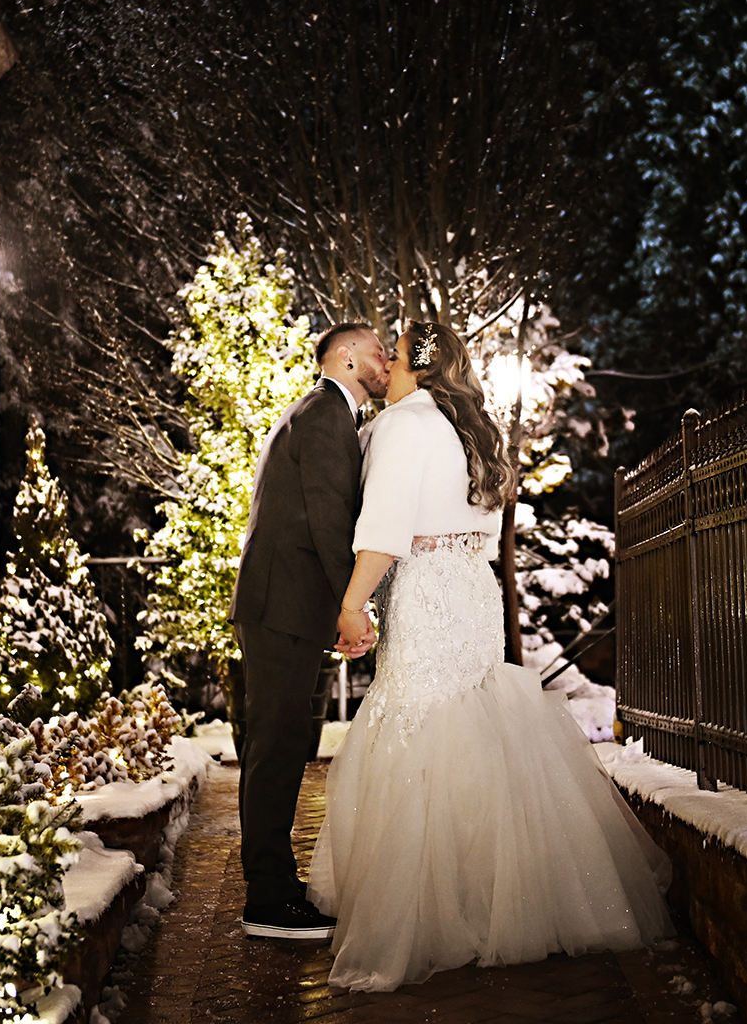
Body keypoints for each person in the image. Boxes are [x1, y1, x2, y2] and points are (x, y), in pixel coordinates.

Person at [307, 320, 674, 991]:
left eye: (396, 356)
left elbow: (385, 528)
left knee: (419, 731)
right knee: (474, 728)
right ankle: (495, 899)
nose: (383, 364)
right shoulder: (474, 430)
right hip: (473, 589)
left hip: (425, 590)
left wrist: (354, 604)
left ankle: (430, 915)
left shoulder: (400, 427)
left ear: (418, 369)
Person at [230, 321, 390, 940]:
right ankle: (266, 899)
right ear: (346, 357)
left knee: (284, 747)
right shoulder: (326, 416)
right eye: (378, 351)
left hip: (287, 609)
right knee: (275, 750)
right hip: (282, 609)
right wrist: (351, 609)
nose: (385, 361)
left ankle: (274, 883)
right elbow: (328, 526)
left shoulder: (323, 414)